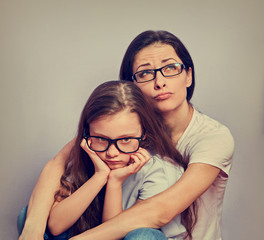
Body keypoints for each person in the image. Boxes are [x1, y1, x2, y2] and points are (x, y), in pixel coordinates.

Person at [18, 30, 234, 240]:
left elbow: (161, 210)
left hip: (156, 235)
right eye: (145, 73)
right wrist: (32, 229)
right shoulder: (124, 128)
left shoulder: (214, 137)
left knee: (143, 236)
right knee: (30, 215)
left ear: (188, 75)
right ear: (131, 86)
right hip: (115, 228)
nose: (159, 82)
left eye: (170, 68)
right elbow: (58, 162)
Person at [18, 80, 194, 240]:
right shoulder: (87, 157)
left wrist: (115, 182)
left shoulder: (156, 171)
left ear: (143, 134)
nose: (112, 153)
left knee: (144, 236)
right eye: (102, 138)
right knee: (28, 215)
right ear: (87, 135)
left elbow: (113, 234)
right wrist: (99, 176)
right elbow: (56, 227)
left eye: (125, 140)